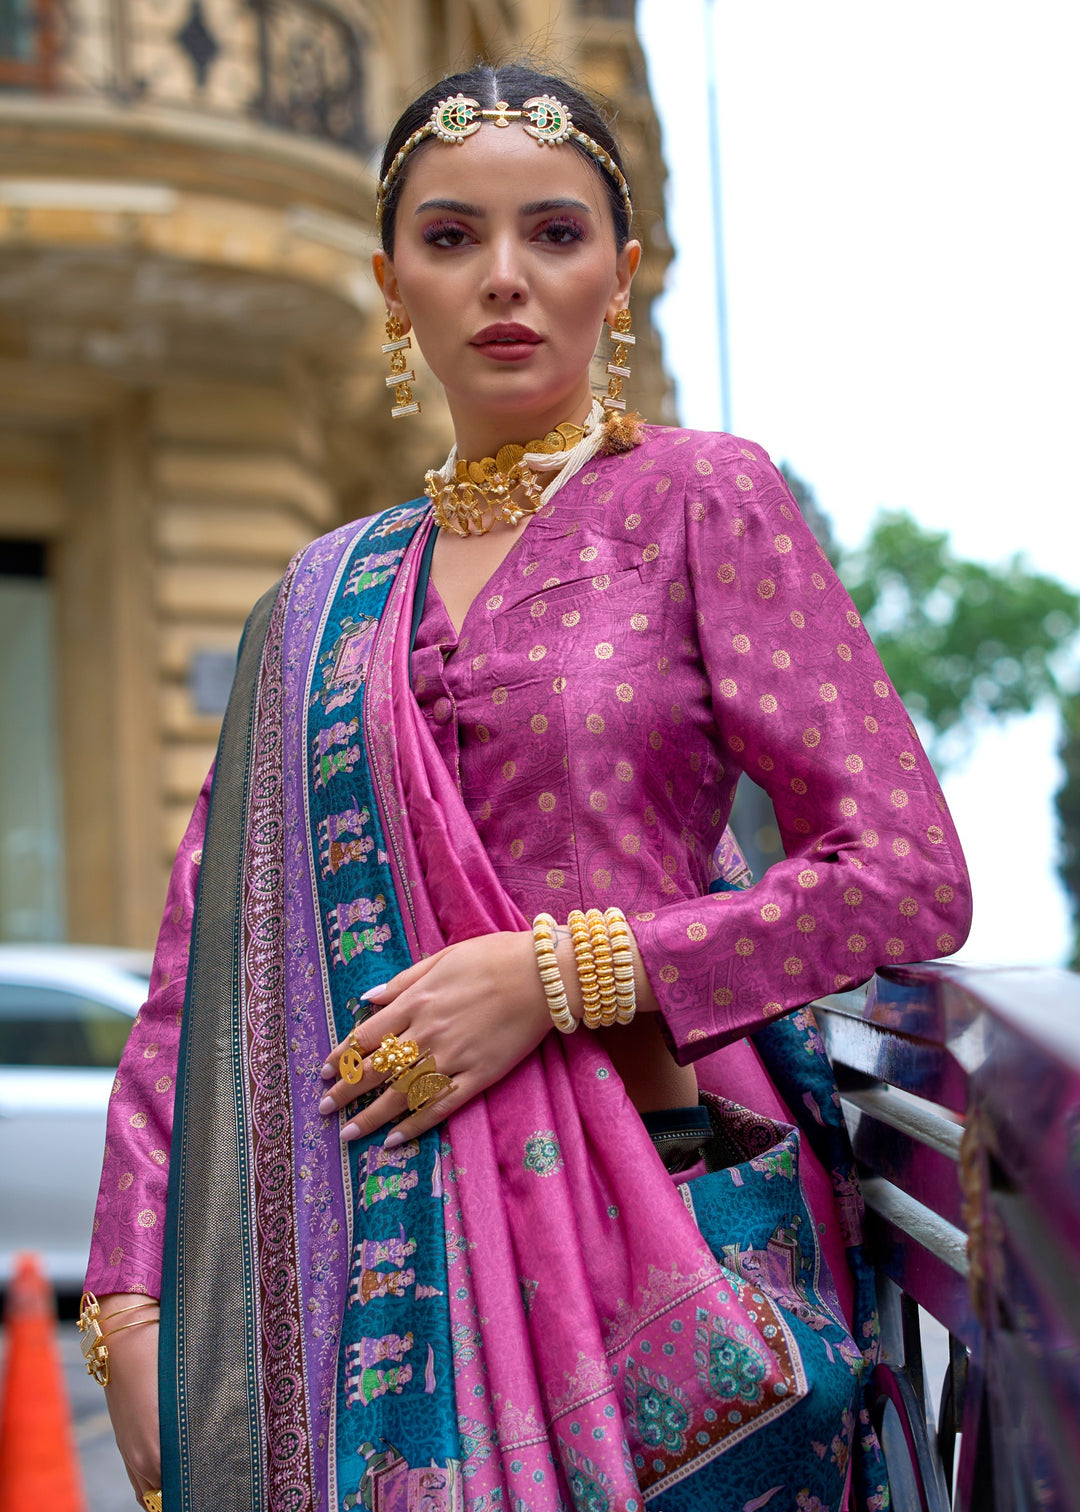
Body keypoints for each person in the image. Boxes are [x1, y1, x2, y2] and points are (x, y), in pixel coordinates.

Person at [83, 62, 970, 1512]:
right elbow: (199, 978)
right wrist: (130, 1294)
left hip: (664, 1226)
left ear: (621, 276)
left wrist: (566, 974)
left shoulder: (701, 499)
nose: (505, 278)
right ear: (391, 285)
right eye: (450, 238)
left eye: (554, 235)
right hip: (362, 1273)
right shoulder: (319, 600)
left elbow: (904, 876)